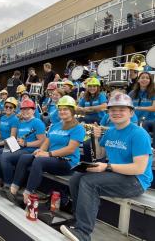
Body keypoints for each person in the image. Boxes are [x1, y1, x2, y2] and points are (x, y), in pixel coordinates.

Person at [60, 93, 153, 241]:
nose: (116, 113)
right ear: (108, 113)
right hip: (117, 173)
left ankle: (83, 233)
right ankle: (78, 220)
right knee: (76, 178)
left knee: (89, 182)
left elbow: (139, 169)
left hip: (136, 180)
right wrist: (96, 138)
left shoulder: (139, 134)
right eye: (112, 110)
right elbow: (100, 154)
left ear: (131, 112)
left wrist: (107, 166)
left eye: (121, 109)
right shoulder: (110, 132)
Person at [7, 96, 85, 203]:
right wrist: (40, 151)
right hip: (52, 158)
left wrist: (48, 154)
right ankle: (13, 190)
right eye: (60, 109)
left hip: (67, 162)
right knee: (25, 157)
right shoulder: (55, 126)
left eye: (65, 109)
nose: (62, 112)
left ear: (72, 110)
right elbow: (47, 141)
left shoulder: (78, 127)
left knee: (39, 161)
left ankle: (27, 195)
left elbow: (70, 149)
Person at [0, 99, 46, 194]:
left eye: (28, 109)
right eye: (23, 109)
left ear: (33, 110)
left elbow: (42, 142)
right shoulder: (20, 122)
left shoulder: (37, 122)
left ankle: (8, 184)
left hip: (30, 150)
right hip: (19, 147)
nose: (25, 111)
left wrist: (26, 144)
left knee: (5, 156)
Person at [128, 72, 155, 146]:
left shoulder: (153, 92)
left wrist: (138, 108)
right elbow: (126, 105)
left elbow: (154, 108)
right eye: (142, 77)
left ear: (150, 81)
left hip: (151, 120)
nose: (145, 79)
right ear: (138, 80)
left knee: (144, 125)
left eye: (147, 78)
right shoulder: (132, 93)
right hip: (135, 120)